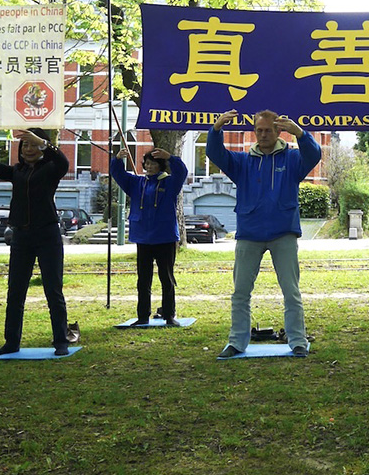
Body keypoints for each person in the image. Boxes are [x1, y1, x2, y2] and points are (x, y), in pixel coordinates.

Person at [208, 109, 321, 358]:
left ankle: (297, 341)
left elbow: (314, 155)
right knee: (240, 292)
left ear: (278, 131)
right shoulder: (242, 162)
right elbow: (215, 154)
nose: (263, 134)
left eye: (268, 130)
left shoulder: (292, 159)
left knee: (291, 291)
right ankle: (237, 342)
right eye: (259, 130)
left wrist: (300, 133)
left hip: (284, 232)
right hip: (249, 232)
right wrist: (216, 129)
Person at [0, 128, 72, 355]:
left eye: (33, 145)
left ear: (42, 147)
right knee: (15, 291)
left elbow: (63, 162)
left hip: (47, 235)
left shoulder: (51, 169)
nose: (28, 149)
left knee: (53, 290)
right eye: (25, 145)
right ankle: (11, 342)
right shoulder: (17, 171)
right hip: (21, 236)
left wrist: (42, 142)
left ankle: (61, 340)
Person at [111, 146, 188, 326]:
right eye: (147, 163)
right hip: (143, 238)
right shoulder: (136, 183)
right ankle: (142, 316)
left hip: (164, 237)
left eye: (153, 163)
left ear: (160, 165)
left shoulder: (170, 183)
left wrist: (170, 157)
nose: (149, 166)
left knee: (166, 278)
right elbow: (118, 174)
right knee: (143, 280)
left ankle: (169, 315)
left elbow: (182, 171)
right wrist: (117, 159)